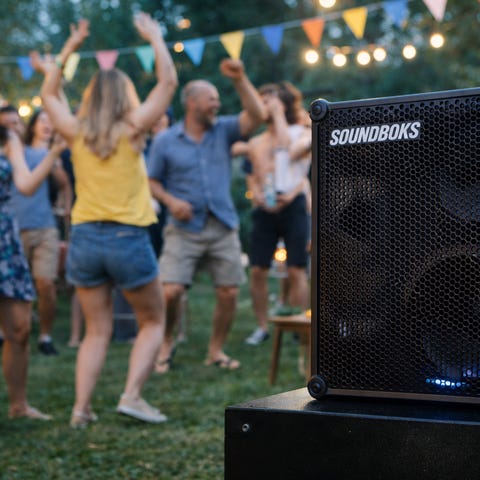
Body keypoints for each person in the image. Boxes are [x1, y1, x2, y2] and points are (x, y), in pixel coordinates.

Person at [40, 12, 178, 427]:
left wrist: (69, 47)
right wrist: (155, 38)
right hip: (127, 238)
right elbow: (168, 83)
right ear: (124, 95)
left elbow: (48, 94)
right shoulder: (133, 128)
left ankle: (80, 410)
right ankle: (132, 396)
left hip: (84, 239)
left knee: (95, 330)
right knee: (153, 320)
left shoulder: (74, 130)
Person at [148, 59, 266, 372]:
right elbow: (151, 181)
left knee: (229, 292)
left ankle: (215, 351)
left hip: (222, 224)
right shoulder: (165, 140)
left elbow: (258, 115)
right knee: (170, 291)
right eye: (211, 99)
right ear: (192, 103)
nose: (217, 104)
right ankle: (166, 343)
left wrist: (240, 79)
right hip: (183, 227)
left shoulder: (224, 130)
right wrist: (170, 201)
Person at [0, 122, 65, 419]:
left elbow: (26, 186)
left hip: (5, 242)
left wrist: (54, 152)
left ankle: (19, 405)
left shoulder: (8, 138)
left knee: (20, 328)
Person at [243, 82, 311, 346]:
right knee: (258, 269)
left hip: (294, 206)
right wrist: (256, 194)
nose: (263, 105)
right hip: (265, 209)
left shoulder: (302, 132)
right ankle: (262, 326)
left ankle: (299, 326)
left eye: (268, 100)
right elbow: (251, 174)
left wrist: (279, 113)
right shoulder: (255, 142)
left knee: (296, 269)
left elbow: (288, 151)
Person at [6, 109, 72, 355]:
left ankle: (45, 336)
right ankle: (9, 331)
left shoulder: (47, 155)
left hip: (44, 226)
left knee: (45, 283)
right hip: (13, 229)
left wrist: (66, 209)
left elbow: (64, 184)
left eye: (17, 123)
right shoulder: (11, 153)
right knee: (11, 287)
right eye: (41, 120)